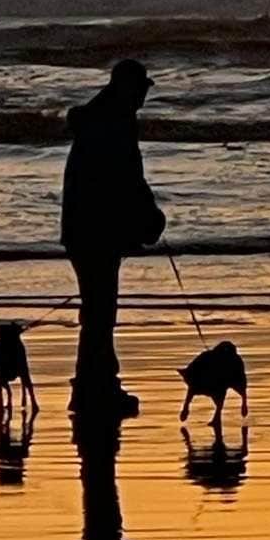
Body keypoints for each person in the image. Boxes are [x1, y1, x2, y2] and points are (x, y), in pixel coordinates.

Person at [61, 59, 165, 416]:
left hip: (82, 229)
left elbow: (121, 182)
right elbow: (125, 181)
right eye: (141, 90)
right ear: (127, 88)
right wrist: (149, 217)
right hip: (95, 231)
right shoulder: (115, 122)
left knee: (97, 312)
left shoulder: (99, 118)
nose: (142, 99)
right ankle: (96, 390)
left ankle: (95, 387)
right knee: (100, 313)